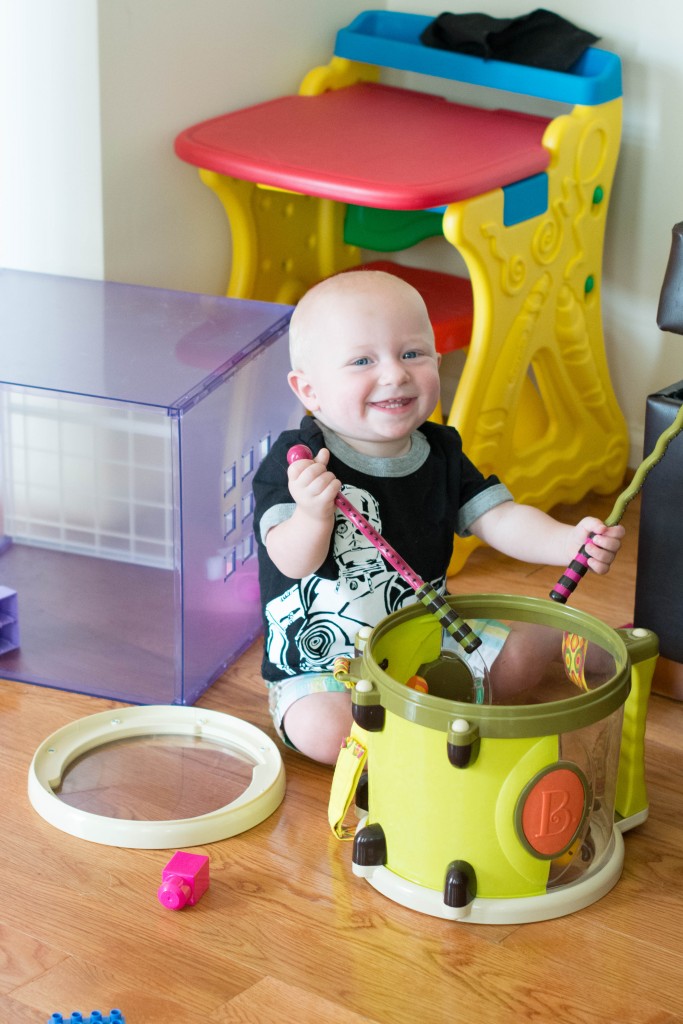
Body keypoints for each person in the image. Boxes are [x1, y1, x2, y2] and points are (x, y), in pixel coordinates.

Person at [253, 270, 624, 763]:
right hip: (328, 665)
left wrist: (569, 541)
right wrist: (312, 515)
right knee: (325, 733)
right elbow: (290, 560)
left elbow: (500, 518)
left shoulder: (441, 451)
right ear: (309, 390)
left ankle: (569, 642)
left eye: (412, 353)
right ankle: (416, 739)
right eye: (363, 360)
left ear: (437, 362)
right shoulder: (298, 460)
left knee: (517, 663)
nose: (395, 373)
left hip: (430, 639)